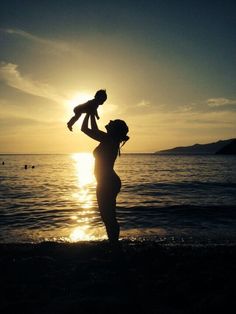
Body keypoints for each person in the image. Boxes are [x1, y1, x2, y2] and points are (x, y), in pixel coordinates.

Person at [81, 113, 129, 246]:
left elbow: (85, 129)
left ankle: (114, 245)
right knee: (108, 216)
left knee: (108, 217)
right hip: (107, 181)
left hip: (107, 182)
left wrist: (90, 112)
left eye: (112, 123)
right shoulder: (108, 139)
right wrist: (89, 113)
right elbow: (90, 129)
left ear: (114, 130)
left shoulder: (109, 139)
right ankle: (113, 243)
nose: (109, 122)